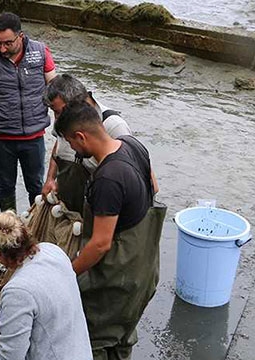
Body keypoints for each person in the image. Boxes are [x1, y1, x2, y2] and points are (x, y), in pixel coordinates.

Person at [54, 103, 167, 360]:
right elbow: (155, 189)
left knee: (94, 336)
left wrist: (67, 274)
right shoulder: (133, 144)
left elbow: (101, 244)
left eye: (72, 144)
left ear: (80, 136)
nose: (73, 150)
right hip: (146, 267)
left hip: (119, 276)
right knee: (123, 333)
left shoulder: (108, 178)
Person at [0, 12, 57, 212]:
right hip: (0, 136)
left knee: (36, 185)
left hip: (33, 135)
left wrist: (62, 122)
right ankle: (8, 224)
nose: (2, 48)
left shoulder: (40, 52)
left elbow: (54, 86)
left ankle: (35, 222)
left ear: (20, 36)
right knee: (5, 186)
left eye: (8, 43)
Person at [0, 211, 93, 360]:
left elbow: (10, 356)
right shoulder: (52, 251)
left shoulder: (17, 291)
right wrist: (2, 315)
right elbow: (46, 307)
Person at [42, 74, 135, 211]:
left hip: (97, 209)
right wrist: (50, 178)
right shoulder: (65, 120)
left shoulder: (114, 125)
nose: (56, 119)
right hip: (66, 205)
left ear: (76, 102)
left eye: (58, 112)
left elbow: (129, 177)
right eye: (53, 112)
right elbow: (58, 145)